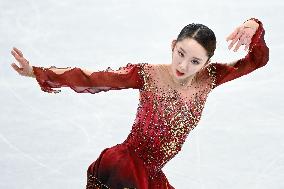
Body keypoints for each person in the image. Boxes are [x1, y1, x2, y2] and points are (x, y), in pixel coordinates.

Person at [10, 17, 269, 189]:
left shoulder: (210, 78)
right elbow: (94, 77)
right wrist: (36, 71)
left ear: (206, 64)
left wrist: (254, 24)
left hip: (152, 175)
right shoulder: (147, 74)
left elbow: (256, 59)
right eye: (180, 53)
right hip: (126, 166)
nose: (182, 65)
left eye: (194, 61)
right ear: (173, 45)